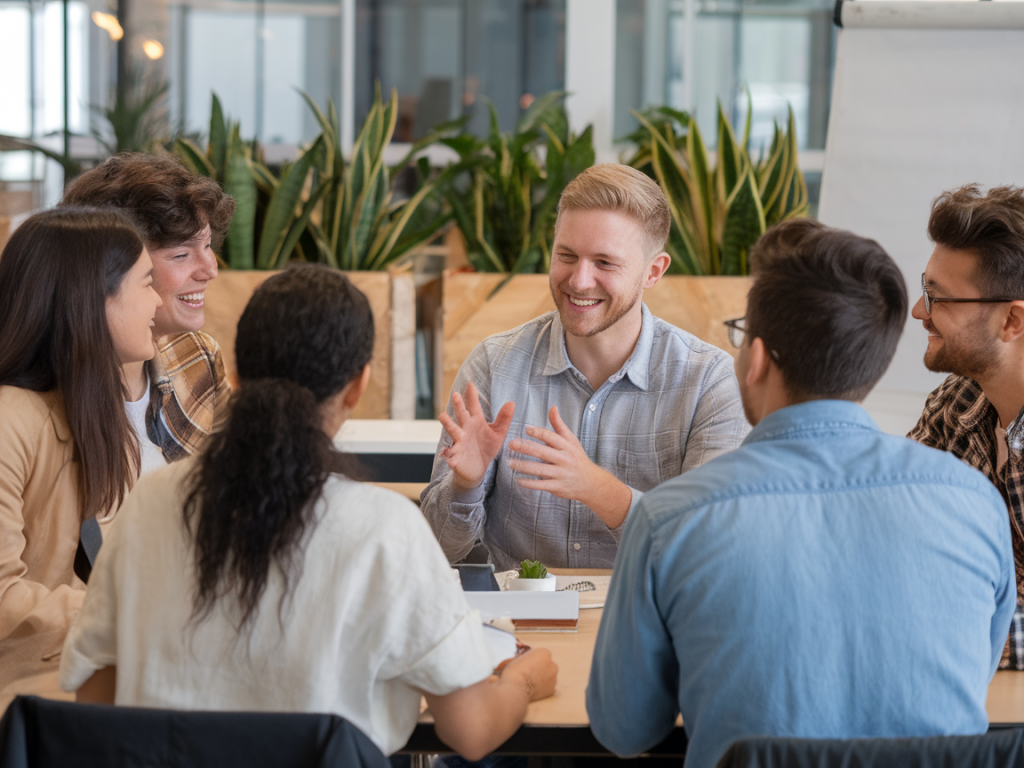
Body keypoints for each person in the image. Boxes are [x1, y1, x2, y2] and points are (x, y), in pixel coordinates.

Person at [59, 266, 558, 759]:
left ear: (234, 373)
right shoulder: (384, 528)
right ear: (357, 386)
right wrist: (523, 681)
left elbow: (96, 698)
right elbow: (472, 732)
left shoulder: (149, 504)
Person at [587, 219, 1015, 768]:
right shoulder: (976, 504)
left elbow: (625, 729)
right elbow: (967, 679)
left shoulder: (671, 518)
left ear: (757, 358)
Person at [420, 163, 748, 570]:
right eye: (567, 256)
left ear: (653, 271)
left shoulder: (708, 381)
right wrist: (466, 485)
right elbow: (436, 552)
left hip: (649, 626)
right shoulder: (493, 364)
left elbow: (708, 551)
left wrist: (599, 490)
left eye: (605, 263)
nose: (579, 280)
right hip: (517, 625)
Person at [0, 207, 162, 709]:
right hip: (28, 697)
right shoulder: (11, 419)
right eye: (147, 282)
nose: (158, 301)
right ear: (93, 301)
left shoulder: (92, 412)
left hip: (82, 679)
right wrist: (131, 611)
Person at [908, 185, 1024, 670]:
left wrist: (955, 623)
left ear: (1011, 320)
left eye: (939, 298)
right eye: (925, 287)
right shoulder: (955, 405)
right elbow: (897, 541)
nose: (919, 311)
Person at [61, 152, 235, 470]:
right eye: (181, 255)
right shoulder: (50, 389)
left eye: (207, 246)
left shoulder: (199, 356)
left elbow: (236, 481)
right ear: (107, 269)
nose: (210, 269)